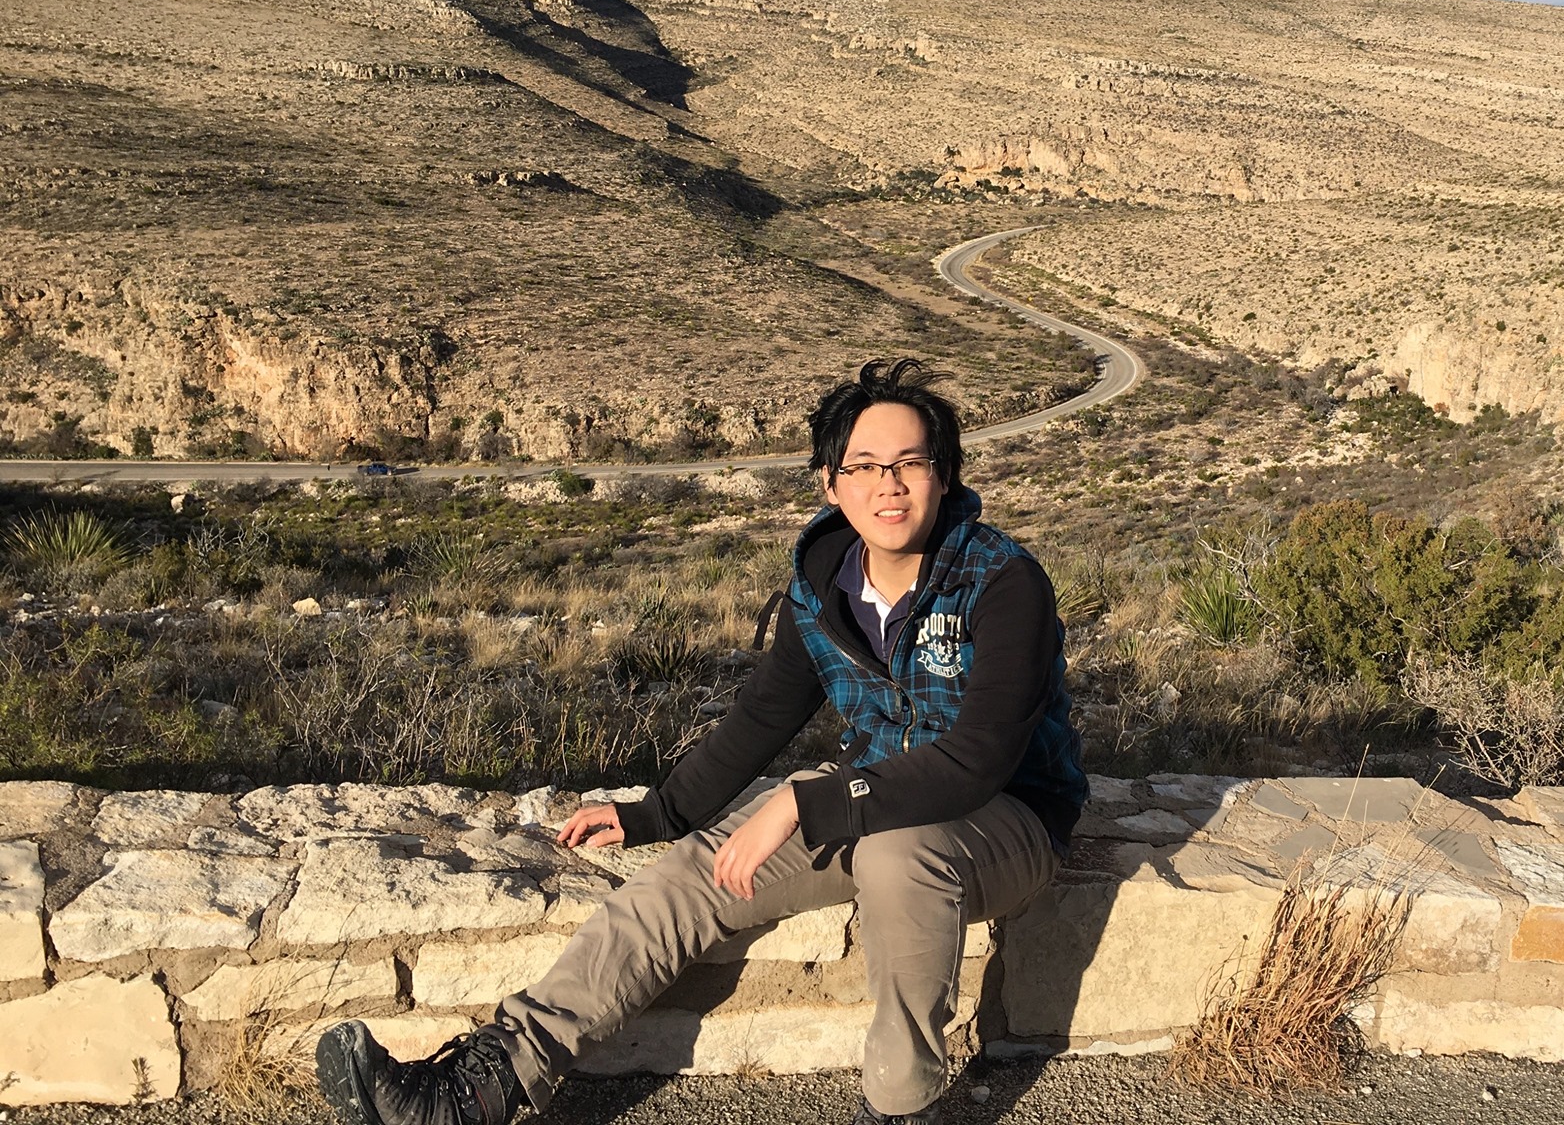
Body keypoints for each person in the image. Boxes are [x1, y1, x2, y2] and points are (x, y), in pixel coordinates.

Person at [316, 358, 1088, 1125]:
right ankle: (481, 1088)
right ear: (830, 482)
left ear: (944, 476)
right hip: (874, 793)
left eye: (911, 463)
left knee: (897, 857)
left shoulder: (1001, 582)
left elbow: (976, 760)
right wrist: (658, 815)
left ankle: (899, 1104)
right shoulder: (822, 594)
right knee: (687, 880)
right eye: (864, 465)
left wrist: (802, 801)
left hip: (1005, 818)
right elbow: (761, 717)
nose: (888, 484)